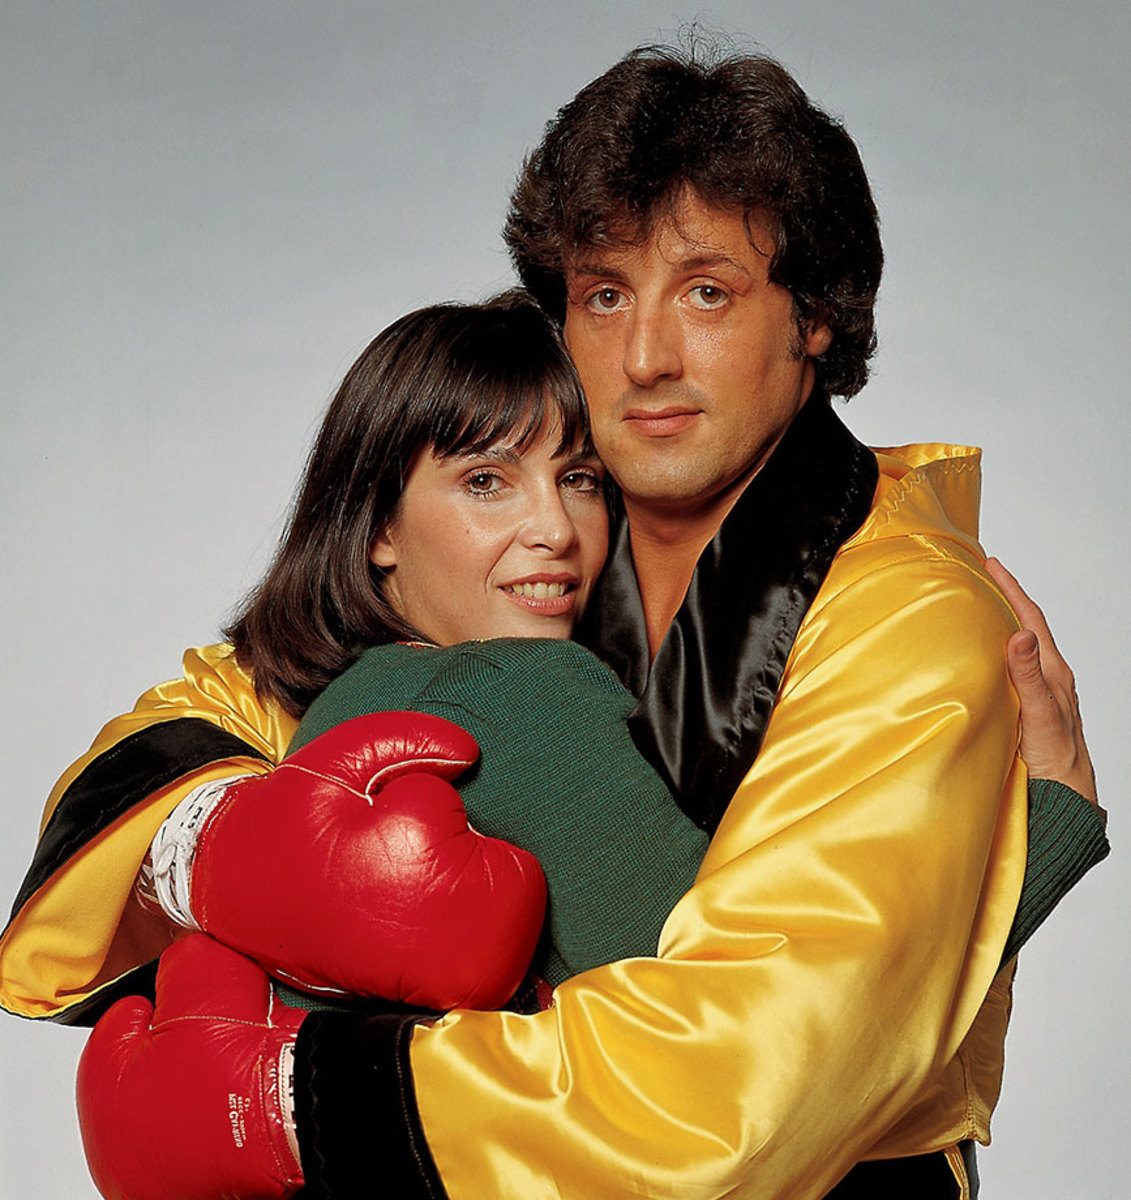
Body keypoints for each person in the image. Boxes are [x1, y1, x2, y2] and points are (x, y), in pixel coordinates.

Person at [5, 43, 1109, 1200]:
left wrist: (297, 1103)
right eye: (604, 295)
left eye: (707, 292)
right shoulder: (546, 555)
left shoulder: (901, 614)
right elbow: (202, 716)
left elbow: (742, 1080)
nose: (645, 359)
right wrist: (215, 846)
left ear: (817, 317)